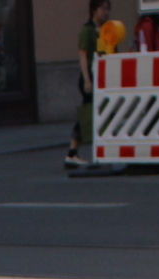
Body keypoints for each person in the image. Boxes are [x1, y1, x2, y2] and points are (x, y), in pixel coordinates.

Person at [71, 0, 110, 166]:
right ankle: (72, 153)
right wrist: (87, 79)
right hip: (90, 77)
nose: (106, 12)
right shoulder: (87, 30)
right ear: (94, 9)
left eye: (108, 8)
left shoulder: (106, 29)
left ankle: (74, 152)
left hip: (101, 77)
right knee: (87, 114)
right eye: (103, 8)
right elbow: (83, 56)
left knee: (96, 114)